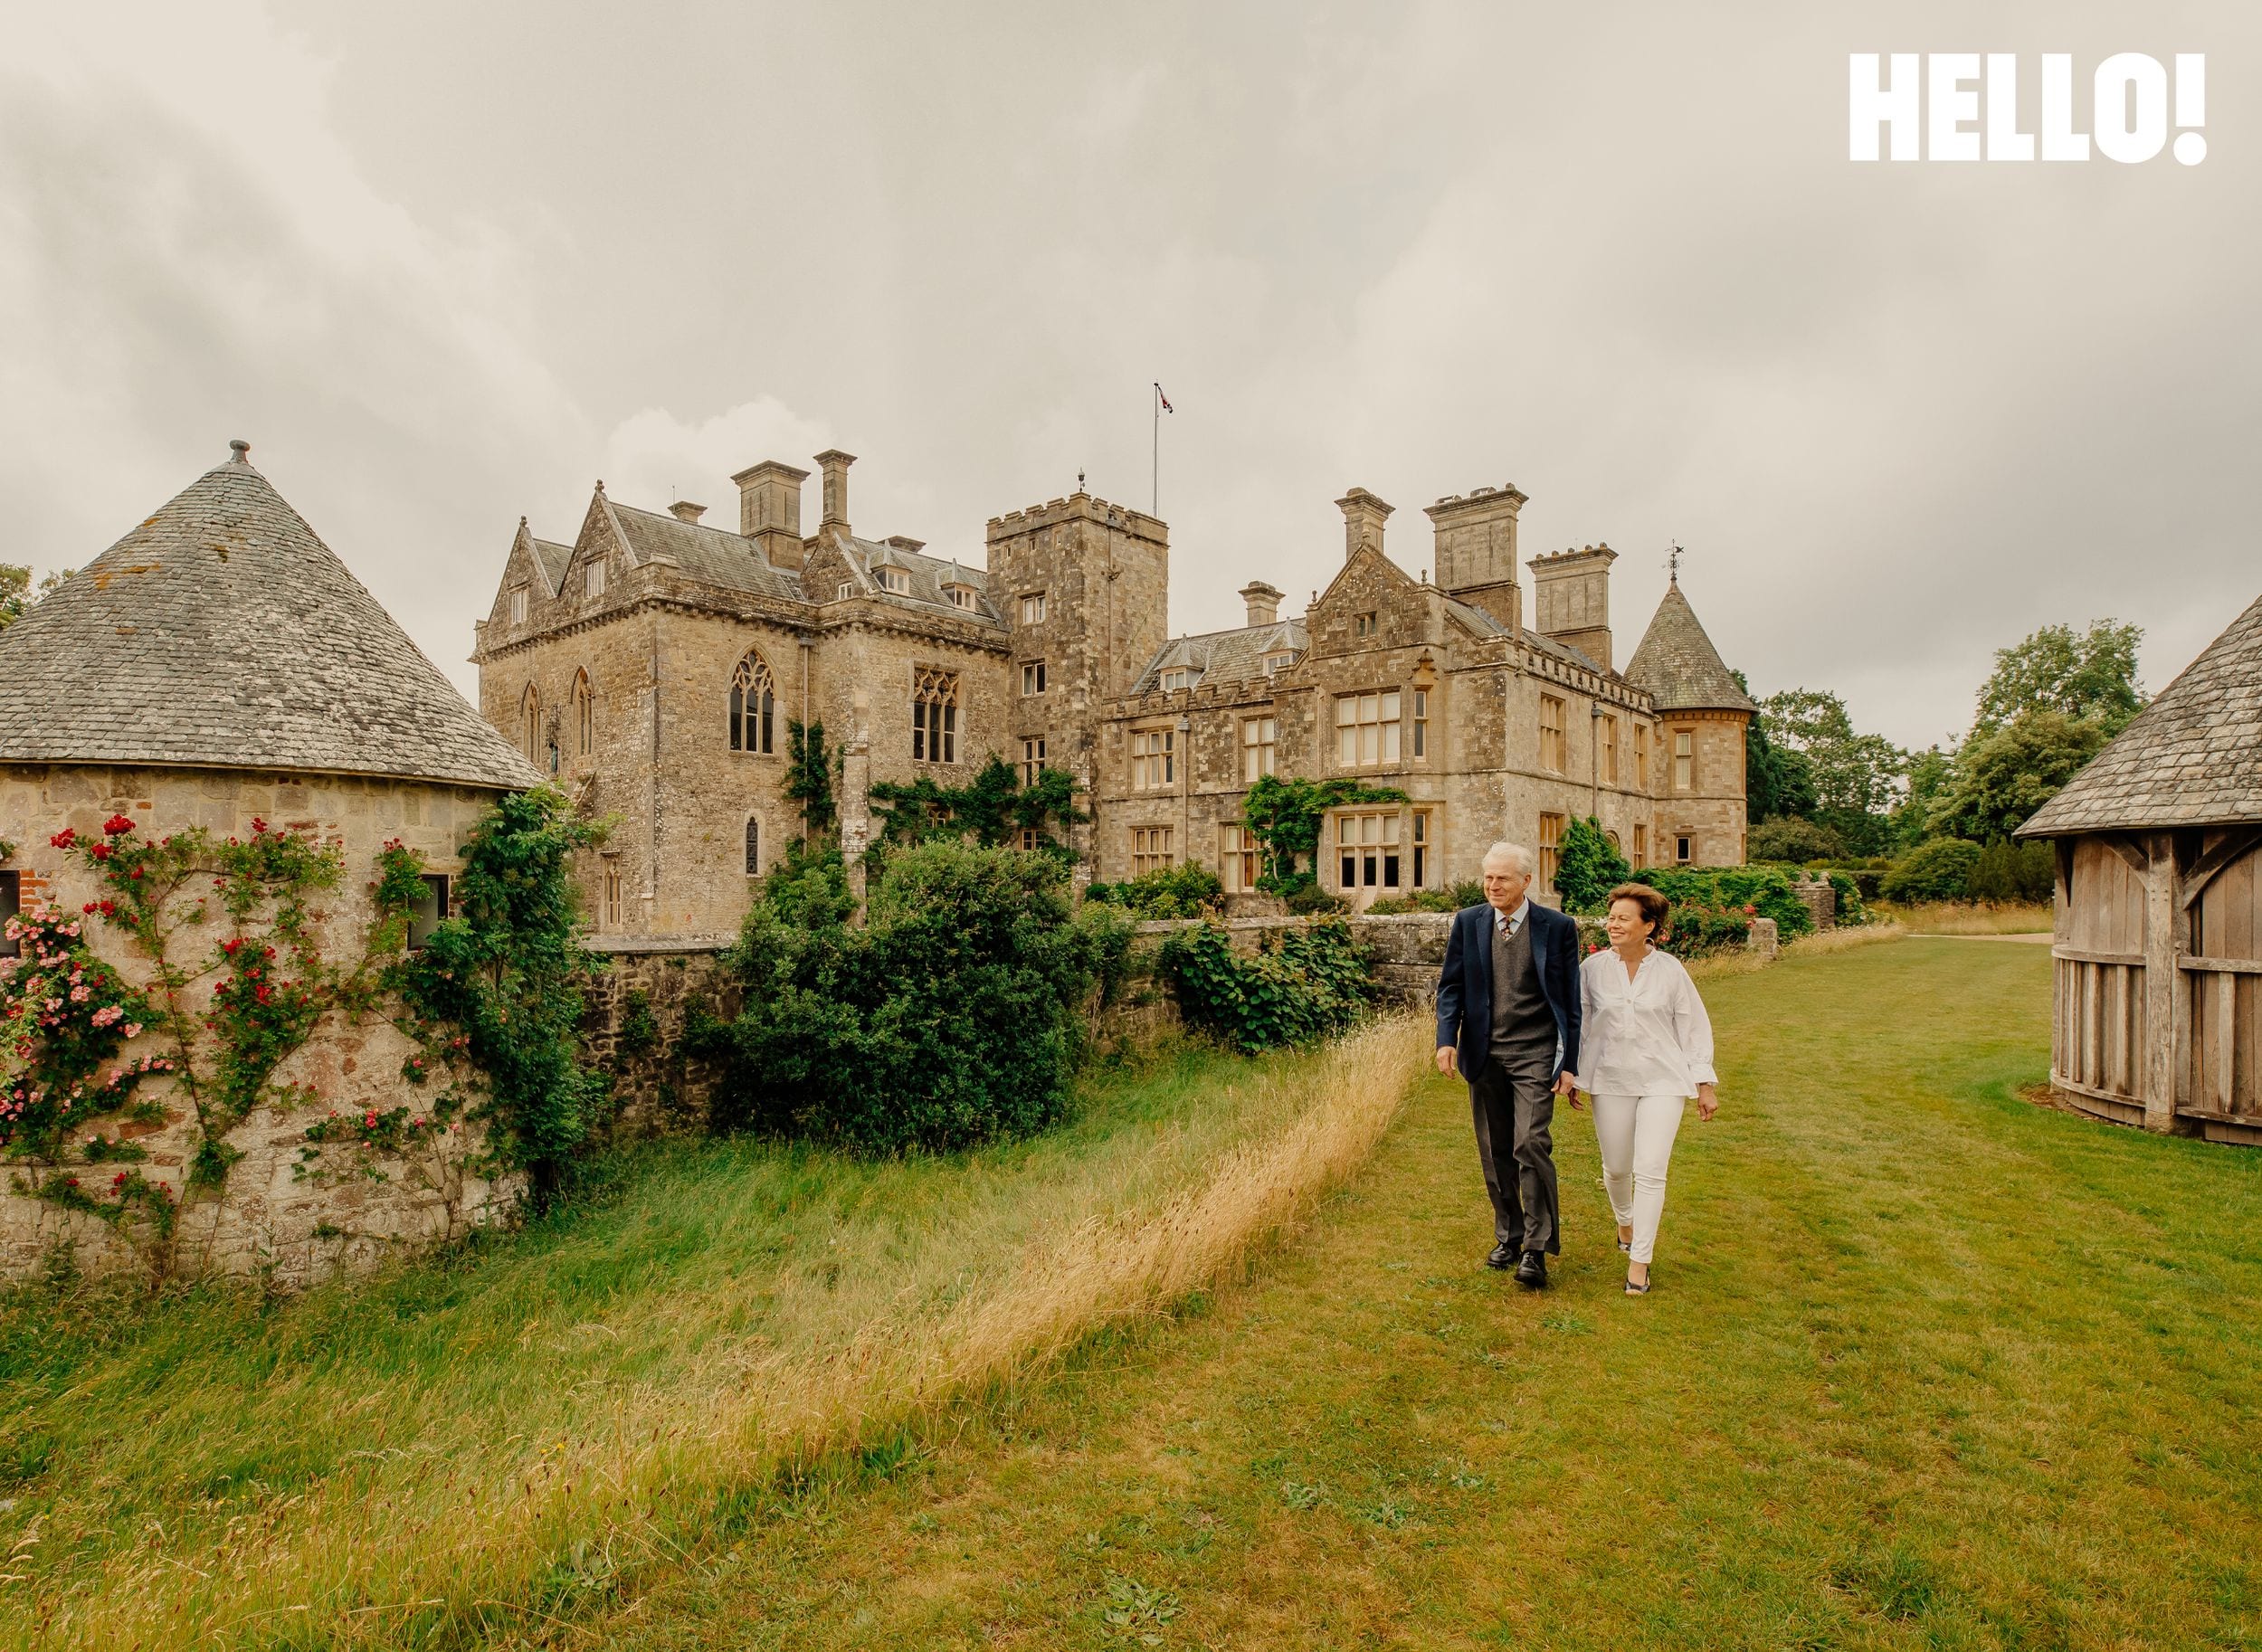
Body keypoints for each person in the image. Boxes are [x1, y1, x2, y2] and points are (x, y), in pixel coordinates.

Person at [1434, 841, 1582, 1289]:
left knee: (1531, 1143)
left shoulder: (1557, 928)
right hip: (1484, 1052)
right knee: (1495, 1149)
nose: (1492, 885)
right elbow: (1451, 988)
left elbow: (1571, 1003)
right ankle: (1509, 1235)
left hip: (1536, 1053)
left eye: (1501, 878)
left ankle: (1536, 1249)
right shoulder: (1468, 922)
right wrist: (1446, 1041)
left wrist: (1569, 1063)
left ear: (1526, 882)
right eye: (1488, 877)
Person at [1572, 883, 1719, 1295]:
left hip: (1663, 1081)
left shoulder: (1670, 970)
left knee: (1650, 1172)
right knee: (1617, 1168)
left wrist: (1703, 1084)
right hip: (1610, 1078)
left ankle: (1640, 1261)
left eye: (1623, 918)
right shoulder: (1592, 970)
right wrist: (1572, 1075)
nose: (1612, 925)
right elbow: (1579, 1028)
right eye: (1611, 917)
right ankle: (1624, 1220)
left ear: (1648, 925)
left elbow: (1693, 1028)